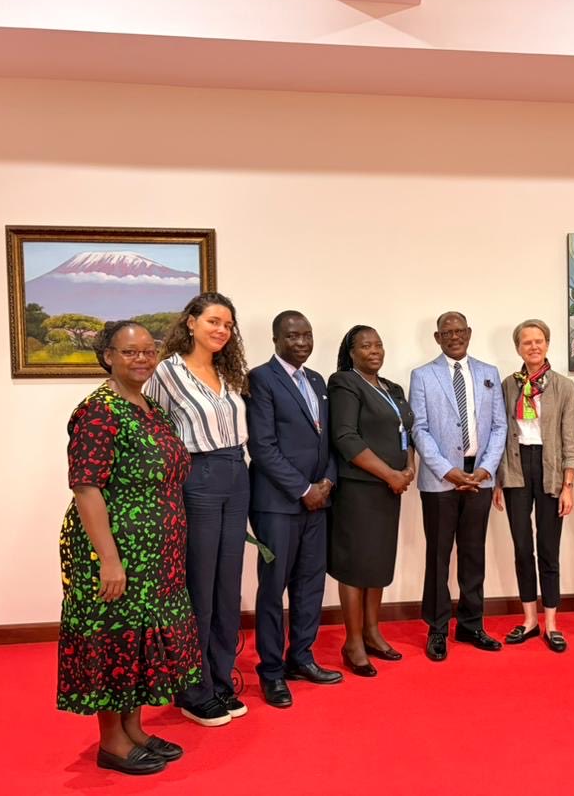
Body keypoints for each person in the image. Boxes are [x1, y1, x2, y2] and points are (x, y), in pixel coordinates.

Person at [57, 321, 199, 775]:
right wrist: (108, 560)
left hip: (156, 555)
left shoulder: (148, 406)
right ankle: (112, 742)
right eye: (129, 352)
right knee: (114, 639)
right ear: (108, 357)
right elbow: (86, 488)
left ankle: (134, 729)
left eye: (147, 351)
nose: (141, 359)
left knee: (140, 641)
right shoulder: (99, 411)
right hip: (118, 552)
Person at [144, 292, 250, 727]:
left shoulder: (228, 371)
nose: (221, 330)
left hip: (236, 473)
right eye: (212, 321)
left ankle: (222, 681)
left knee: (228, 588)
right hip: (198, 478)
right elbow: (149, 426)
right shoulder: (166, 373)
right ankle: (193, 689)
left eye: (227, 324)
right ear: (190, 322)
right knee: (198, 588)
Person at [246, 310, 343, 708]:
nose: (301, 342)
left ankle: (301, 658)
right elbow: (262, 446)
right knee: (273, 589)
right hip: (277, 505)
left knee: (310, 585)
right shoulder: (260, 379)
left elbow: (327, 442)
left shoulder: (317, 380)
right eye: (292, 336)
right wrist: (303, 489)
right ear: (275, 340)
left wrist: (327, 482)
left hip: (317, 503)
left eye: (307, 335)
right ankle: (270, 671)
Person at [409, 311, 507, 661]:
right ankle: (437, 629)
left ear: (469, 333)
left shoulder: (488, 374)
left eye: (459, 330)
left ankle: (470, 623)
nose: (454, 336)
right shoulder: (422, 376)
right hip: (441, 479)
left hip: (479, 475)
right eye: (446, 332)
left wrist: (484, 470)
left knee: (472, 553)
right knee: (438, 555)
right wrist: (448, 471)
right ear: (437, 337)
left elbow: (499, 426)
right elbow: (418, 428)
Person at [328, 325, 416, 676]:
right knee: (354, 566)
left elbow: (406, 431)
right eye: (365, 345)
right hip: (359, 489)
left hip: (388, 490)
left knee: (378, 562)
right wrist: (390, 474)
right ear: (351, 352)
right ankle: (352, 642)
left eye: (378, 344)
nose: (374, 350)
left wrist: (408, 467)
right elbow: (345, 437)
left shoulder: (392, 388)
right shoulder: (344, 383)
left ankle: (372, 631)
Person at [493, 319, 574, 652]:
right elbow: (500, 435)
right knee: (521, 548)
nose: (533, 346)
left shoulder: (562, 386)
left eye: (539, 341)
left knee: (549, 548)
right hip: (516, 469)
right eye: (526, 342)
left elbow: (569, 437)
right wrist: (499, 480)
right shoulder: (508, 385)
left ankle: (552, 623)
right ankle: (529, 620)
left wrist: (569, 484)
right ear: (518, 347)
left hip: (551, 470)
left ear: (547, 344)